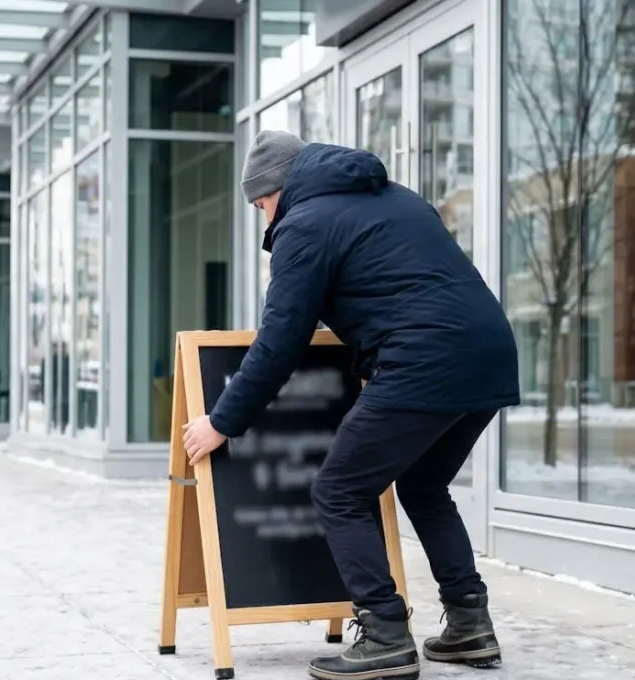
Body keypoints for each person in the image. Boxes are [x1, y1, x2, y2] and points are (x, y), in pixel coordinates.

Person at [181, 131, 521, 680]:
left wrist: (222, 421)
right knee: (424, 485)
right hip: (489, 352)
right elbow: (398, 283)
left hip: (423, 360)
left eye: (259, 203)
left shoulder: (305, 225)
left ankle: (385, 633)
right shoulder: (400, 198)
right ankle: (469, 624)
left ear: (276, 189)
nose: (263, 217)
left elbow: (280, 340)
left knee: (339, 490)